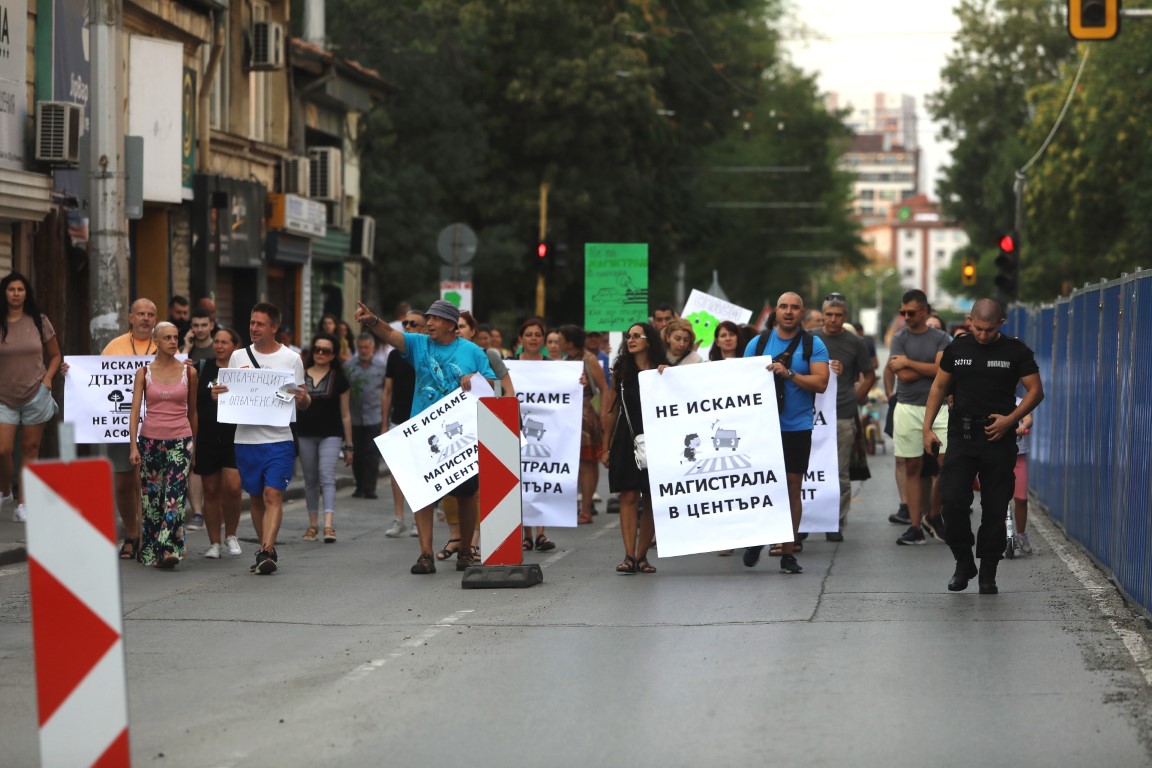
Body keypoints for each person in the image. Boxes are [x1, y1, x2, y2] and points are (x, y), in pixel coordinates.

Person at [355, 299, 498, 574]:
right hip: (425, 432)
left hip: (461, 434)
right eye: (428, 318)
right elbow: (390, 335)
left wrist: (473, 378)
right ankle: (425, 554)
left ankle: (466, 551)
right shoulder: (420, 344)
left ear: (451, 325)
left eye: (435, 319)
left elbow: (490, 384)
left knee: (466, 494)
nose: (428, 323)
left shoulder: (473, 352)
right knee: (422, 494)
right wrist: (372, 320)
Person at [923, 298, 1043, 594]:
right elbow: (939, 386)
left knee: (994, 507)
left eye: (989, 330)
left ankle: (989, 570)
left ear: (1000, 324)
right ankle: (963, 561)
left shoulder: (1016, 351)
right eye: (977, 328)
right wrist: (926, 428)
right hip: (962, 435)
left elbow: (1036, 391)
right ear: (969, 321)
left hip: (997, 437)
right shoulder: (958, 348)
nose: (983, 335)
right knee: (951, 501)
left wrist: (1011, 420)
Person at [217, 302, 311, 575]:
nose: (253, 328)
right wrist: (218, 393)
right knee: (256, 497)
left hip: (279, 439)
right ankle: (263, 549)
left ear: (274, 327)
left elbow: (303, 402)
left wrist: (303, 398)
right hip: (246, 440)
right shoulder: (238, 357)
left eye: (259, 324)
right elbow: (229, 393)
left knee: (273, 494)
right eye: (251, 322)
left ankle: (268, 549)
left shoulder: (291, 359)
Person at [742, 292, 830, 574]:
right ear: (775, 312)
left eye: (794, 307)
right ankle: (758, 537)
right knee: (762, 485)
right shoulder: (758, 343)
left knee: (793, 487)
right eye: (783, 307)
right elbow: (737, 381)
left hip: (797, 426)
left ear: (802, 312)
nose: (788, 312)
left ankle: (788, 552)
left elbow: (821, 383)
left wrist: (789, 373)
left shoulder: (813, 344)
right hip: (763, 427)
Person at [127, 322, 198, 569]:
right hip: (150, 442)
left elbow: (193, 412)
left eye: (175, 337)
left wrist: (194, 447)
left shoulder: (189, 372)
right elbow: (135, 409)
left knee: (175, 497)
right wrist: (133, 446)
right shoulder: (143, 372)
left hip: (181, 440)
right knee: (152, 499)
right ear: (155, 341)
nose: (172, 341)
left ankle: (168, 549)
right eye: (166, 337)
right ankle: (152, 550)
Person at [887, 290, 952, 545]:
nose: (905, 316)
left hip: (938, 408)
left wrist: (909, 363)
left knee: (947, 463)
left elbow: (941, 370)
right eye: (902, 312)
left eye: (911, 312)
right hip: (907, 407)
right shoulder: (899, 338)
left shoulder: (941, 337)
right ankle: (915, 526)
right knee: (912, 466)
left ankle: (933, 515)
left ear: (925, 311)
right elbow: (902, 376)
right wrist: (927, 369)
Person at [601, 322, 666, 574]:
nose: (631, 339)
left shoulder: (662, 371)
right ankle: (628, 555)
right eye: (629, 336)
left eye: (636, 336)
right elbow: (612, 410)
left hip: (656, 439)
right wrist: (605, 447)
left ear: (649, 341)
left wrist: (667, 375)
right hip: (627, 439)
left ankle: (642, 556)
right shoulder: (621, 371)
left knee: (650, 497)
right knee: (628, 495)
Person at [0, 273, 62, 523]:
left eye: (20, 289)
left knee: (29, 450)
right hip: (3, 396)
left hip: (36, 394)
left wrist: (47, 379)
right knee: (3, 450)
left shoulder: (39, 320)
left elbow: (56, 355)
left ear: (27, 293)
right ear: (4, 293)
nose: (16, 294)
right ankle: (5, 491)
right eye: (11, 289)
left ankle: (23, 504)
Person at [814, 295, 876, 541]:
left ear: (845, 317)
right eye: (829, 314)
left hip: (842, 413)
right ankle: (807, 519)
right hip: (812, 414)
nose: (833, 319)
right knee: (810, 470)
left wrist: (857, 394)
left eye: (838, 315)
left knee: (839, 471)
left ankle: (835, 521)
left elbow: (870, 374)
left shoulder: (855, 342)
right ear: (822, 315)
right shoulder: (810, 337)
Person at [102, 298, 159, 560]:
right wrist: (71, 373)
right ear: (130, 318)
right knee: (124, 483)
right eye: (140, 314)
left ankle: (150, 536)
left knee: (149, 483)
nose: (145, 318)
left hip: (155, 425)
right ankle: (132, 534)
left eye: (150, 314)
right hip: (120, 427)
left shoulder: (164, 345)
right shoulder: (114, 347)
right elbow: (95, 379)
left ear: (155, 320)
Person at [297, 332, 353, 544]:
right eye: (317, 349)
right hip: (305, 434)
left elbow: (346, 413)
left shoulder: (340, 379)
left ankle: (328, 525)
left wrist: (349, 445)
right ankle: (313, 525)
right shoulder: (299, 375)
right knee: (310, 480)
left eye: (326, 350)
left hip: (332, 434)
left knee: (327, 476)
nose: (320, 353)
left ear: (333, 355)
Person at [193, 326, 244, 559]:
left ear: (235, 346)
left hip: (235, 437)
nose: (220, 346)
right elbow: (191, 401)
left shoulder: (242, 370)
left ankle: (231, 534)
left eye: (225, 342)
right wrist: (209, 395)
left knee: (233, 488)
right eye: (217, 342)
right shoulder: (201, 368)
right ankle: (214, 542)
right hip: (207, 437)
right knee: (211, 491)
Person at [507, 319, 555, 550]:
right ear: (520, 339)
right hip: (515, 430)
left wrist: (580, 383)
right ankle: (526, 534)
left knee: (541, 479)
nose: (534, 338)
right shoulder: (509, 366)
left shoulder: (553, 366)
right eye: (529, 334)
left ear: (543, 339)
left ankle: (541, 533)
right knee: (522, 480)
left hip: (545, 433)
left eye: (538, 334)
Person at [381, 311, 427, 539]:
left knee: (421, 471)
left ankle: (419, 519)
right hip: (398, 419)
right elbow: (387, 391)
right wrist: (383, 424)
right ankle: (399, 517)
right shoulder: (393, 356)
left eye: (413, 323)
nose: (407, 326)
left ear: (424, 329)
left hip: (423, 421)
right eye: (405, 323)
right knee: (397, 471)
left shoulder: (427, 353)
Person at [559, 324, 610, 526]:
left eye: (561, 339)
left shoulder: (588, 360)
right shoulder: (565, 361)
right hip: (569, 415)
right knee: (575, 463)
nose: (558, 342)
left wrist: (605, 414)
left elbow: (604, 389)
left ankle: (586, 508)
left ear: (569, 342)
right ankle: (578, 506)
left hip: (586, 415)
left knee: (588, 463)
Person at [346, 333, 387, 501]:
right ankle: (359, 486)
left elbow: (386, 391)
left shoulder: (381, 367)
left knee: (372, 454)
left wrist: (385, 419)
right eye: (360, 347)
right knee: (357, 454)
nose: (363, 350)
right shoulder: (349, 367)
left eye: (366, 347)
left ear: (373, 348)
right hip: (354, 417)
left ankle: (370, 488)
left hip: (374, 416)